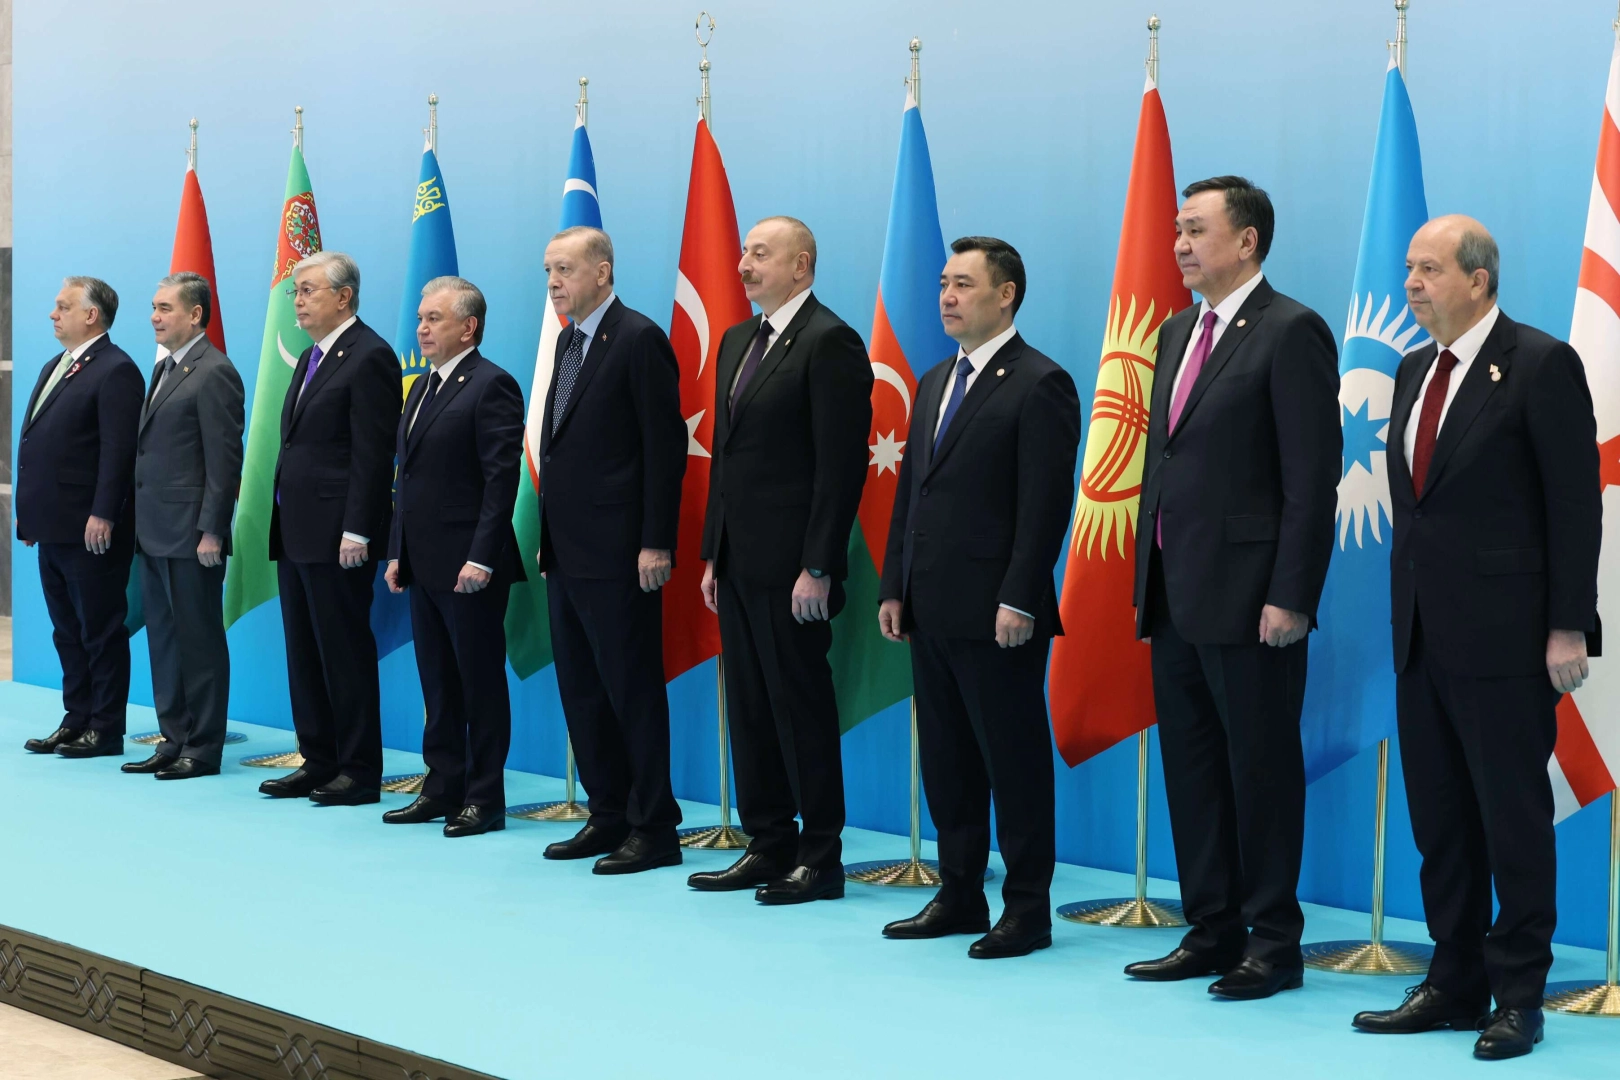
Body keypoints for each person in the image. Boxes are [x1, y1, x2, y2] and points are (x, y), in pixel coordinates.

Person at [1351, 216, 1602, 1061]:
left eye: (1428, 270)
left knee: (1511, 822)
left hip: (1508, 641)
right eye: (1408, 268)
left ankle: (1519, 995)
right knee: (1441, 822)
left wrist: (1567, 625)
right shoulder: (1413, 369)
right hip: (1422, 638)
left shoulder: (1539, 364)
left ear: (1478, 279)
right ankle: (1453, 980)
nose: (1411, 284)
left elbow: (1575, 506)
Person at [1126, 177, 1340, 998]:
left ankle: (1273, 943)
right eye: (1177, 230)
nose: (1179, 244)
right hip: (1174, 592)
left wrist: (1292, 595)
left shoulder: (1291, 330)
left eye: (1196, 230)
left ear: (1247, 241)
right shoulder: (1177, 330)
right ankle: (1211, 928)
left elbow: (1309, 479)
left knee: (1260, 773)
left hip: (1253, 599)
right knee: (1192, 768)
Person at [877, 237, 1080, 958]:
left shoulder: (1041, 381)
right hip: (930, 604)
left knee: (1012, 762)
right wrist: (894, 584)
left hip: (999, 613)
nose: (947, 297)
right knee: (948, 760)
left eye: (963, 284)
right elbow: (913, 494)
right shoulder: (936, 379)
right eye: (943, 283)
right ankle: (959, 892)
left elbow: (1044, 505)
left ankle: (1027, 908)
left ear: (1006, 294)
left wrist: (1020, 597)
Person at [690, 216, 872, 903]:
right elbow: (728, 458)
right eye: (743, 251)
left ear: (801, 265)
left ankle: (819, 857)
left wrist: (818, 565)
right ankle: (767, 842)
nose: (743, 264)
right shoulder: (739, 340)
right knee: (750, 708)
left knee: (799, 711)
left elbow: (839, 466)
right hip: (738, 563)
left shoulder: (830, 340)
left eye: (760, 254)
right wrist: (713, 553)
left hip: (796, 570)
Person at [533, 227, 688, 874]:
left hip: (622, 554)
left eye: (564, 269)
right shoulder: (566, 341)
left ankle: (654, 827)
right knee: (583, 690)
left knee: (630, 690)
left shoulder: (638, 338)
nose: (553, 282)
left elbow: (663, 449)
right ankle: (608, 814)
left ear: (601, 272)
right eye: (548, 270)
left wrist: (655, 542)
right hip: (567, 553)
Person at [382, 276, 524, 838]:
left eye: (434, 319)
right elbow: (409, 478)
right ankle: (442, 786)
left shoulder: (492, 384)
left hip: (471, 566)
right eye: (420, 318)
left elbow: (500, 479)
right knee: (437, 682)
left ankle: (484, 798)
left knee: (479, 684)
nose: (421, 328)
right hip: (423, 562)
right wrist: (397, 550)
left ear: (468, 327)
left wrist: (482, 557)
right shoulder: (421, 385)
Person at [257, 252, 399, 806]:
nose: (297, 301)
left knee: (343, 652)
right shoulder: (310, 357)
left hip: (339, 535)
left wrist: (358, 529)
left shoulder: (370, 355)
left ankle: (358, 770)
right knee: (304, 653)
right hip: (296, 531)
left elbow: (372, 453)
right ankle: (317, 759)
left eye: (308, 290)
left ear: (343, 296)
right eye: (295, 291)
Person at [19, 277, 144, 759]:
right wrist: (28, 516)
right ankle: (76, 719)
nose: (53, 314)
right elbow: (36, 443)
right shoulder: (56, 365)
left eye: (63, 306)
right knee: (66, 631)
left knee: (100, 630)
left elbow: (119, 452)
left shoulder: (116, 369)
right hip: (53, 526)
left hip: (92, 530)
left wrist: (104, 513)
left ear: (91, 315)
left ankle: (105, 727)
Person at [127, 272, 245, 779]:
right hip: (154, 531)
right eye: (154, 307)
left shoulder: (214, 370)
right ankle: (173, 737)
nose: (154, 317)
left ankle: (202, 746)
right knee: (164, 641)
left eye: (165, 308)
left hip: (193, 534)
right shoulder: (165, 368)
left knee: (199, 642)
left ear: (195, 315)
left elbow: (225, 460)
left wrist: (213, 529)